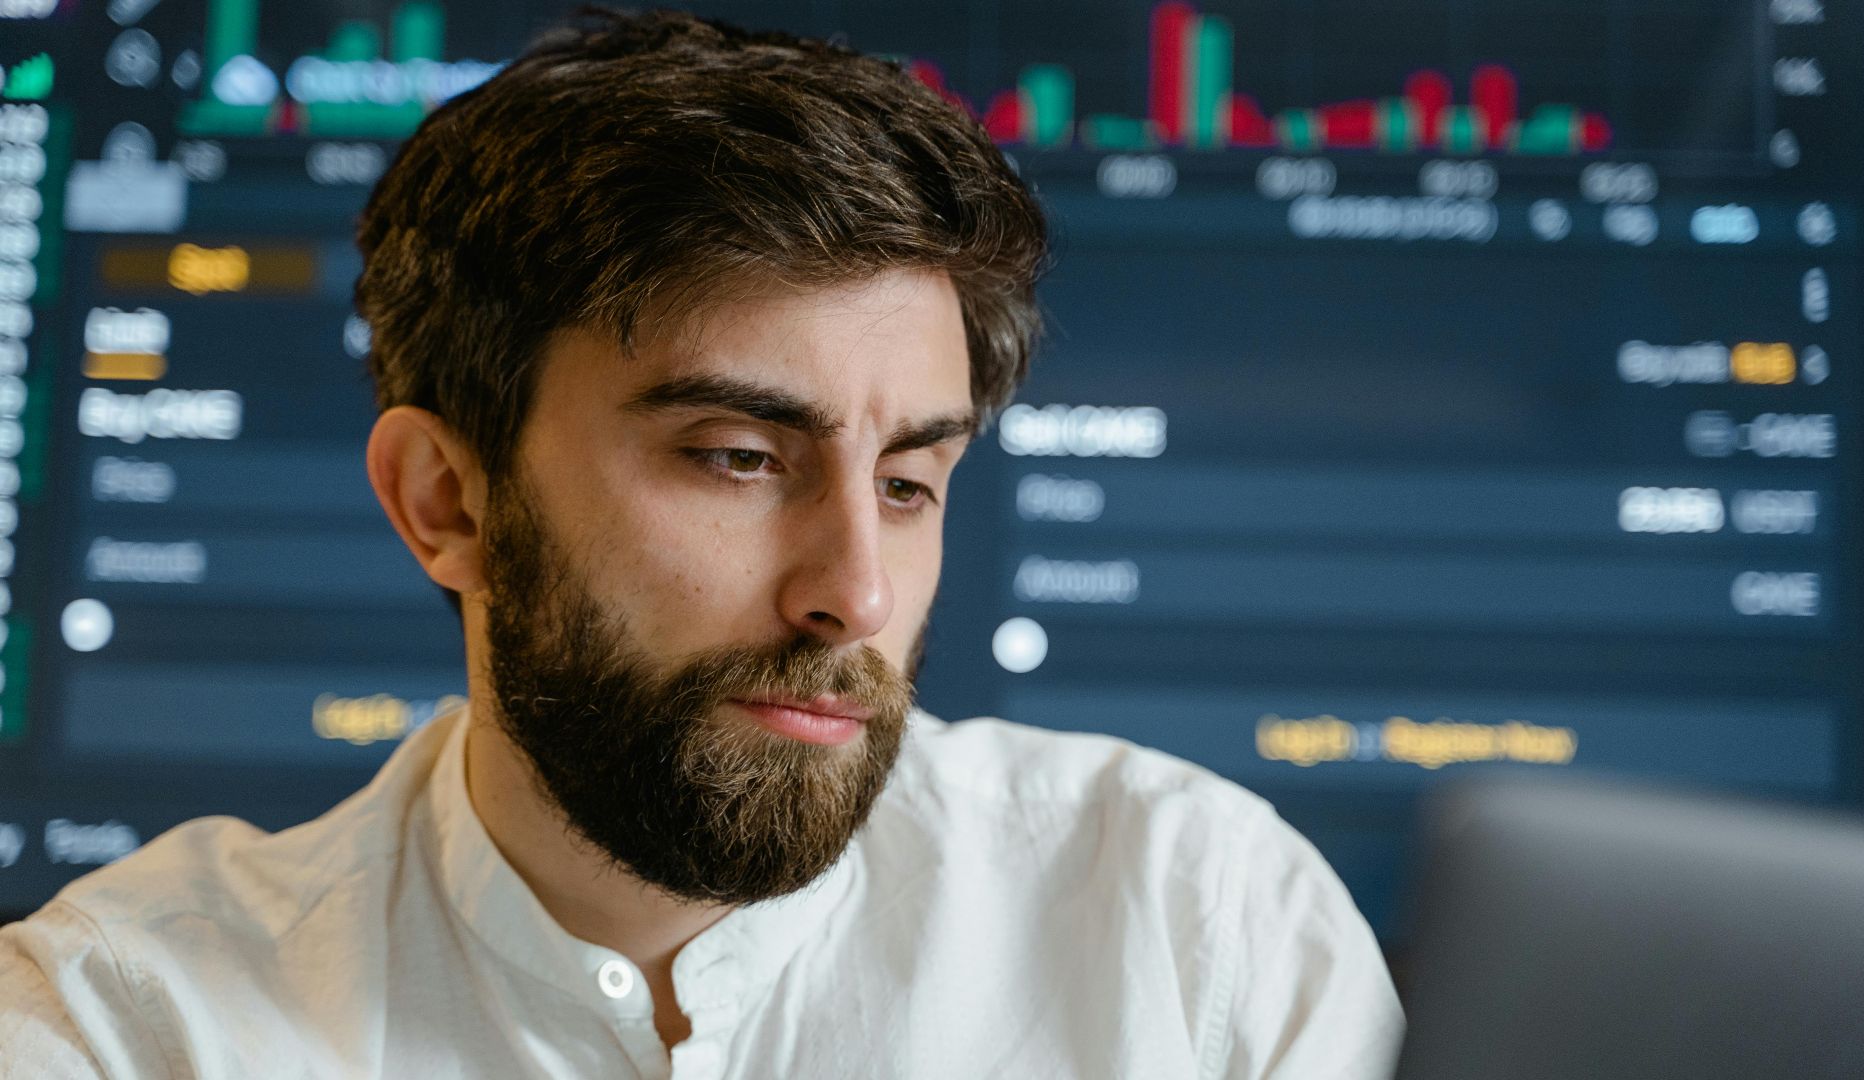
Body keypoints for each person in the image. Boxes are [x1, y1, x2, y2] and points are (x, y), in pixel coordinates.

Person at [0, 10, 1401, 1077]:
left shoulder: (1202, 927)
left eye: (908, 482)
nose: (855, 595)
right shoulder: (125, 1029)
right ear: (447, 502)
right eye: (738, 459)